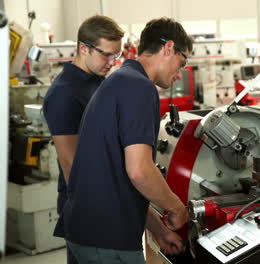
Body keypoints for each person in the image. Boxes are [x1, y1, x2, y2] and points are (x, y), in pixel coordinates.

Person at [61, 17, 193, 263]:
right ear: (168, 48)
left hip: (87, 232)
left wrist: (159, 229)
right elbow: (140, 172)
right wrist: (176, 207)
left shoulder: (121, 80)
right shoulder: (140, 88)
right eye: (182, 61)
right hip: (108, 239)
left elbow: (120, 179)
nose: (180, 72)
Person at [42, 15, 124, 264]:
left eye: (116, 55)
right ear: (84, 48)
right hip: (88, 209)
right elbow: (71, 165)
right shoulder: (64, 93)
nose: (112, 62)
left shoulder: (96, 82)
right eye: (106, 55)